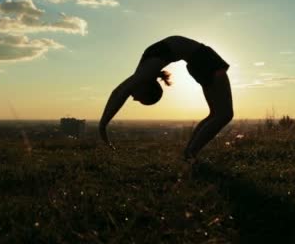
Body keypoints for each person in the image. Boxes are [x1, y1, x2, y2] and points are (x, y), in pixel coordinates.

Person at [98, 35, 234, 162]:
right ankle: (190, 154)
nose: (133, 98)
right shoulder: (145, 73)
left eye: (140, 99)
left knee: (218, 114)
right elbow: (120, 92)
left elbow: (119, 93)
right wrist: (103, 124)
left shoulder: (144, 74)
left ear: (146, 89)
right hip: (203, 59)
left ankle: (189, 154)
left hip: (200, 60)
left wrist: (103, 125)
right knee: (224, 114)